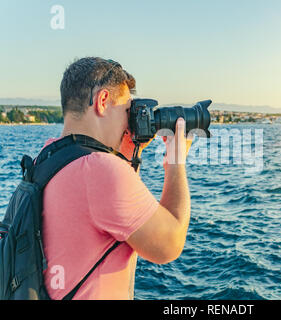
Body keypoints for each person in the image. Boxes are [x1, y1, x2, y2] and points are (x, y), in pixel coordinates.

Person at [41, 57, 193, 300]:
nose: (128, 121)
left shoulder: (47, 158)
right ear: (102, 102)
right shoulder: (100, 170)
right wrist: (175, 160)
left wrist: (129, 156)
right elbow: (169, 244)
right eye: (126, 110)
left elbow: (117, 217)